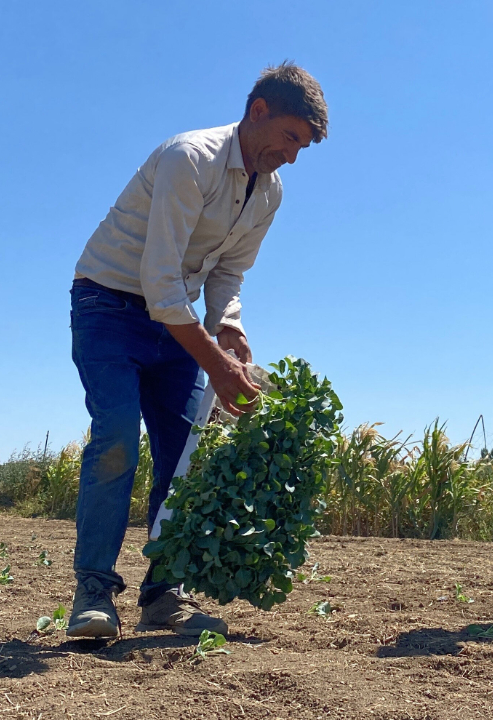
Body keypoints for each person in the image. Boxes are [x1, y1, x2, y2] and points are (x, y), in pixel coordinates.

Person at [66, 62, 328, 638]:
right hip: (109, 305)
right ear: (258, 110)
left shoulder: (270, 192)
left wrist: (229, 328)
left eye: (302, 147)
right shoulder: (191, 158)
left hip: (175, 321)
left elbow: (228, 272)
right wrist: (218, 365)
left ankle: (164, 594)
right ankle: (94, 592)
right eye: (289, 137)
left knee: (184, 452)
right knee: (116, 439)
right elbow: (160, 282)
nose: (292, 156)